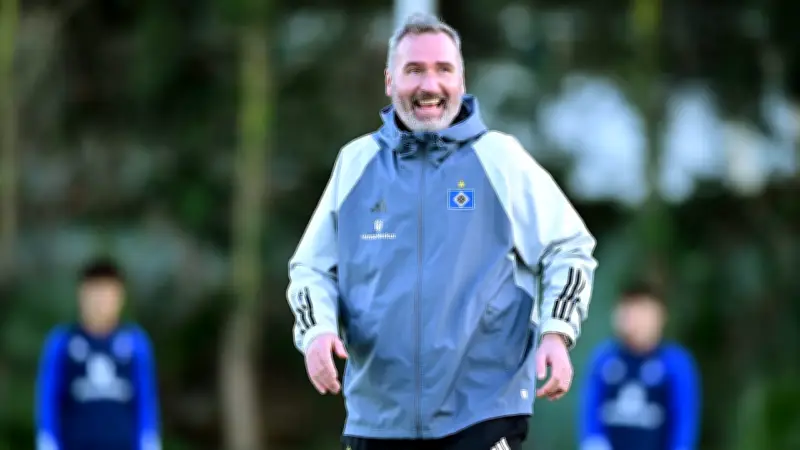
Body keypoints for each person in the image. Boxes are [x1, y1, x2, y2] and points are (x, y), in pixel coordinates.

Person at [286, 12, 598, 450]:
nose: (429, 85)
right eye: (414, 70)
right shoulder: (355, 163)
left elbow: (569, 247)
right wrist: (317, 330)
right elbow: (311, 269)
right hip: (376, 420)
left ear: (461, 80)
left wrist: (556, 332)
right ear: (390, 81)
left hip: (483, 414)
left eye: (443, 69)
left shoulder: (500, 159)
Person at [35, 258, 161, 450]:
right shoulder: (63, 342)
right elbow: (49, 399)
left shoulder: (135, 343)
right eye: (95, 294)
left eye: (107, 294)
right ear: (81, 295)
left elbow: (145, 400)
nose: (101, 302)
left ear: (120, 297)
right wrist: (47, 440)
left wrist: (149, 441)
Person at [578, 283, 700, 450]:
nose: (633, 319)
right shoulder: (604, 359)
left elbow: (684, 423)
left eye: (642, 311)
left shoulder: (675, 363)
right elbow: (590, 413)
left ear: (660, 316)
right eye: (627, 310)